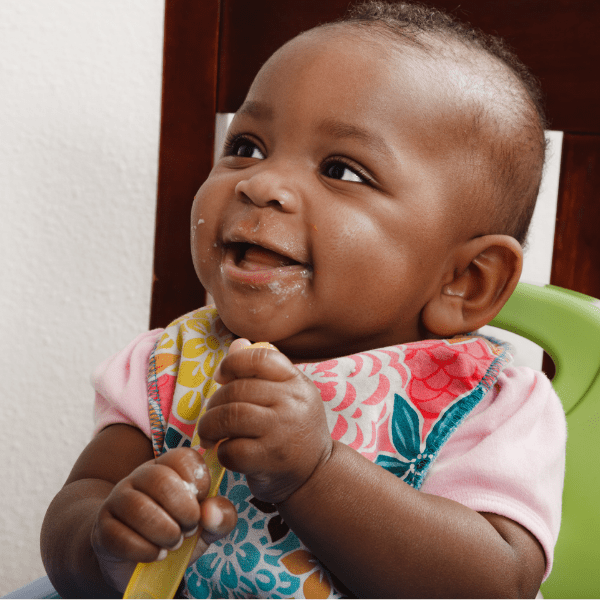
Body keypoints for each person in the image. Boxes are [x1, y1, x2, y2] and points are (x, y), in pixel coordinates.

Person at [41, 1, 566, 597]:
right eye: (247, 145)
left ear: (465, 280)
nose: (259, 183)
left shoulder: (485, 404)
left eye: (342, 171)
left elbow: (497, 584)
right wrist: (108, 540)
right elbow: (71, 520)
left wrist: (316, 472)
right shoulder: (166, 366)